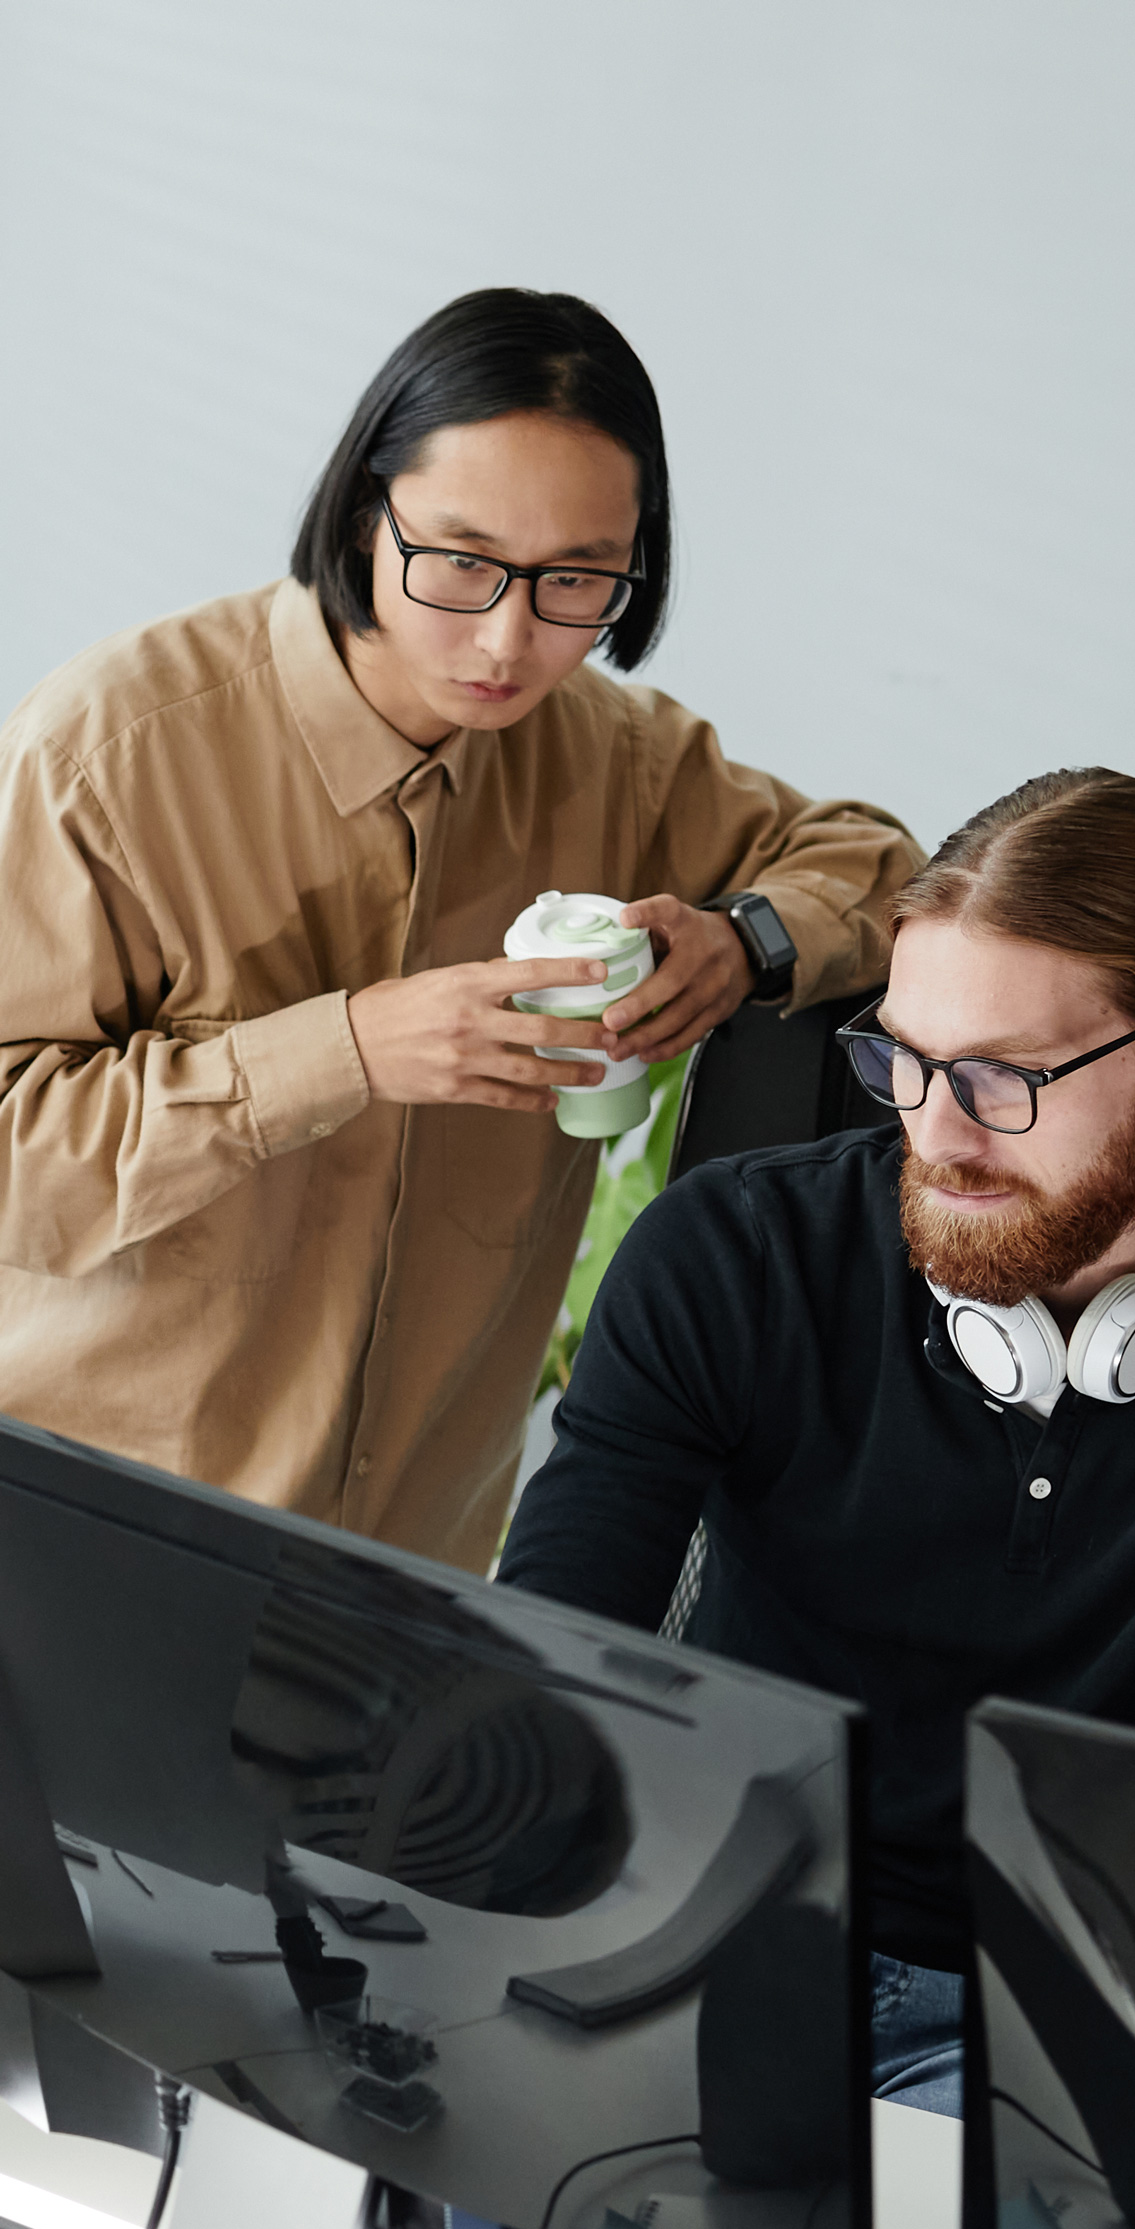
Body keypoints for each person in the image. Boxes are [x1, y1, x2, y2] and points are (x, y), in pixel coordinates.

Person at [500, 768, 1135, 2110]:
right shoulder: (732, 1252)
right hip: (727, 1949)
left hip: (1079, 2016)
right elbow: (547, 1672)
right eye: (900, 1060)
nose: (934, 1131)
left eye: (1003, 1080)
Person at [0, 288, 917, 1570]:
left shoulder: (607, 754)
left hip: (412, 1561)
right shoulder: (107, 757)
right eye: (463, 562)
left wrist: (745, 941)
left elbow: (882, 867)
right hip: (91, 1538)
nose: (509, 639)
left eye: (576, 580)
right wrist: (348, 1050)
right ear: (366, 507)